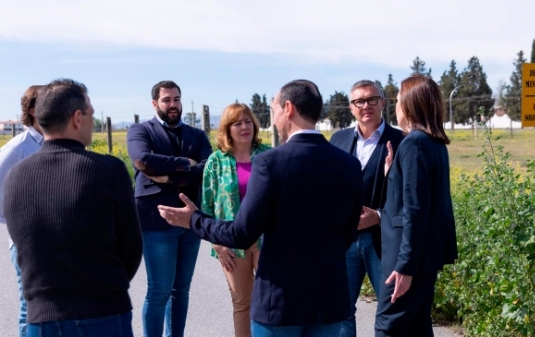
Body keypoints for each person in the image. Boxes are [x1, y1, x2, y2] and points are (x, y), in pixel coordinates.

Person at [158, 79, 363, 337]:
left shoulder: (269, 162)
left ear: (288, 108)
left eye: (274, 108)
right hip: (330, 304)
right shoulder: (349, 164)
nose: (273, 116)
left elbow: (242, 234)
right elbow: (348, 232)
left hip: (280, 304)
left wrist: (193, 220)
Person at [3, 78, 143, 337]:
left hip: (41, 318)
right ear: (77, 118)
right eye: (90, 113)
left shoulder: (15, 176)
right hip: (103, 311)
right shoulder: (108, 170)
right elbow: (132, 246)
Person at [127, 80, 212, 337]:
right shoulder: (140, 131)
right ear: (155, 103)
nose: (172, 104)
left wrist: (168, 177)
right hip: (157, 220)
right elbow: (143, 160)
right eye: (166, 100)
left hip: (191, 221)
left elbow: (208, 167)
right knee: (159, 289)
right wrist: (186, 163)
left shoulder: (197, 135)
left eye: (176, 99)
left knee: (181, 289)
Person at [375, 74, 458, 336]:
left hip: (408, 258)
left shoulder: (414, 143)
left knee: (388, 326)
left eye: (398, 102)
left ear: (410, 105)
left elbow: (415, 209)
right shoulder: (433, 144)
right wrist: (392, 174)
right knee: (416, 326)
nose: (395, 108)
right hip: (424, 256)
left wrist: (405, 266)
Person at [330, 80, 404, 336]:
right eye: (359, 101)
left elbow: (408, 197)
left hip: (382, 242)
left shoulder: (401, 141)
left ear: (383, 103)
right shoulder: (337, 140)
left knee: (391, 310)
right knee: (340, 311)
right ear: (351, 108)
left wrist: (380, 216)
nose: (366, 106)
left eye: (372, 99)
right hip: (345, 241)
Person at [201, 103, 271, 337]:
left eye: (248, 121)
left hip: (267, 240)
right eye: (237, 123)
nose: (244, 127)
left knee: (269, 301)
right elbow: (207, 207)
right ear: (227, 129)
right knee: (242, 303)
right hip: (230, 243)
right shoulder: (216, 161)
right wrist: (218, 244)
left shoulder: (269, 155)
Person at [0, 85, 44, 337]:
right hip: (27, 243)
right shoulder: (17, 149)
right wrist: (22, 224)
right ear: (32, 110)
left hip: (56, 241)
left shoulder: (54, 141)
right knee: (30, 309)